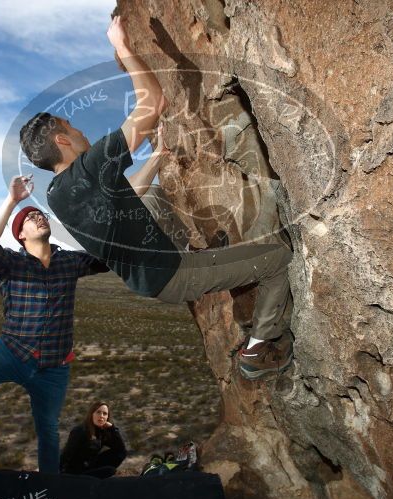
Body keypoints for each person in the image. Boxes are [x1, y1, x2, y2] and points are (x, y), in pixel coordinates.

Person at [18, 16, 293, 380]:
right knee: (278, 258)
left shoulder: (58, 194)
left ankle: (208, 257)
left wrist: (157, 159)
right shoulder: (87, 168)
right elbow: (154, 101)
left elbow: (126, 196)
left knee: (154, 199)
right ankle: (259, 349)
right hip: (175, 275)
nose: (81, 131)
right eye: (73, 128)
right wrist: (123, 48)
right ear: (62, 141)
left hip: (153, 278)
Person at [0, 174, 109, 474]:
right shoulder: (10, 264)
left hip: (54, 368)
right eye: (30, 218)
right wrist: (13, 200)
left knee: (49, 432)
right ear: (21, 236)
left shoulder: (69, 262)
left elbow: (108, 254)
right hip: (11, 352)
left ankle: (49, 491)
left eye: (40, 214)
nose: (38, 217)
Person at [60, 401, 127, 479]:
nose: (101, 416)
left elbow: (121, 450)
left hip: (90, 466)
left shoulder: (102, 432)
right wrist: (61, 475)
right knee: (109, 471)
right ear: (91, 414)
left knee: (118, 456)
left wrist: (113, 429)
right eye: (98, 412)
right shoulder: (80, 431)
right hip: (76, 472)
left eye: (105, 414)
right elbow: (67, 453)